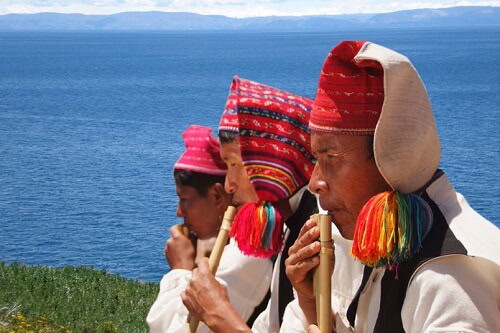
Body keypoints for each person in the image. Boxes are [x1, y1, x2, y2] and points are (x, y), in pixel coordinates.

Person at [284, 40, 500, 332]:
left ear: (393, 157)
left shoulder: (451, 277)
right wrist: (311, 304)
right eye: (315, 158)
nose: (315, 183)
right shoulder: (361, 241)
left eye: (331, 156)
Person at [181, 76, 318, 332]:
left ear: (268, 160)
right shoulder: (290, 227)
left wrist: (217, 313)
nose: (229, 185)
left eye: (234, 164)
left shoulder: (317, 234)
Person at [147, 125, 273, 333]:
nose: (179, 212)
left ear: (216, 196)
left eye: (185, 199)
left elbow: (178, 329)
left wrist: (180, 270)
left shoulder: (247, 253)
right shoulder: (227, 247)